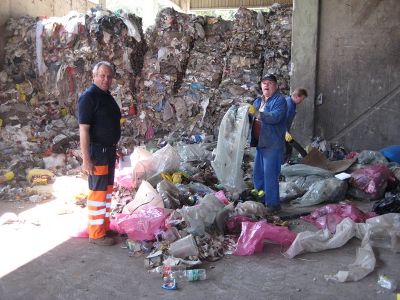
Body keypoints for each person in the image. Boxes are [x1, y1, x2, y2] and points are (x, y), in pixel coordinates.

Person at [78, 61, 121, 246]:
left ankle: (104, 226)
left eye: (109, 76)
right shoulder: (89, 97)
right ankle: (96, 234)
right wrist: (86, 159)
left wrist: (114, 147)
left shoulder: (107, 97)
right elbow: (84, 130)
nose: (106, 79)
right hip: (98, 153)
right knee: (97, 192)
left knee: (108, 192)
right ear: (94, 76)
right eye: (102, 75)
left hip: (109, 151)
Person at [249, 74, 287, 212]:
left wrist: (258, 114)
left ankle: (272, 205)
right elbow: (250, 117)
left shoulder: (280, 100)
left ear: (275, 86)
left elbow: (275, 117)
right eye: (264, 83)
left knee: (270, 175)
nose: (266, 85)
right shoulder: (258, 101)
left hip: (272, 144)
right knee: (258, 173)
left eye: (270, 83)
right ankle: (261, 200)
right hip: (260, 142)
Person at [284, 88, 308, 161]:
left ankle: (286, 163)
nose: (301, 101)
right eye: (301, 99)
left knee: (288, 148)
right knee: (283, 150)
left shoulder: (292, 103)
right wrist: (285, 132)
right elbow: (281, 119)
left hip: (284, 131)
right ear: (297, 96)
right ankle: (282, 167)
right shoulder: (289, 105)